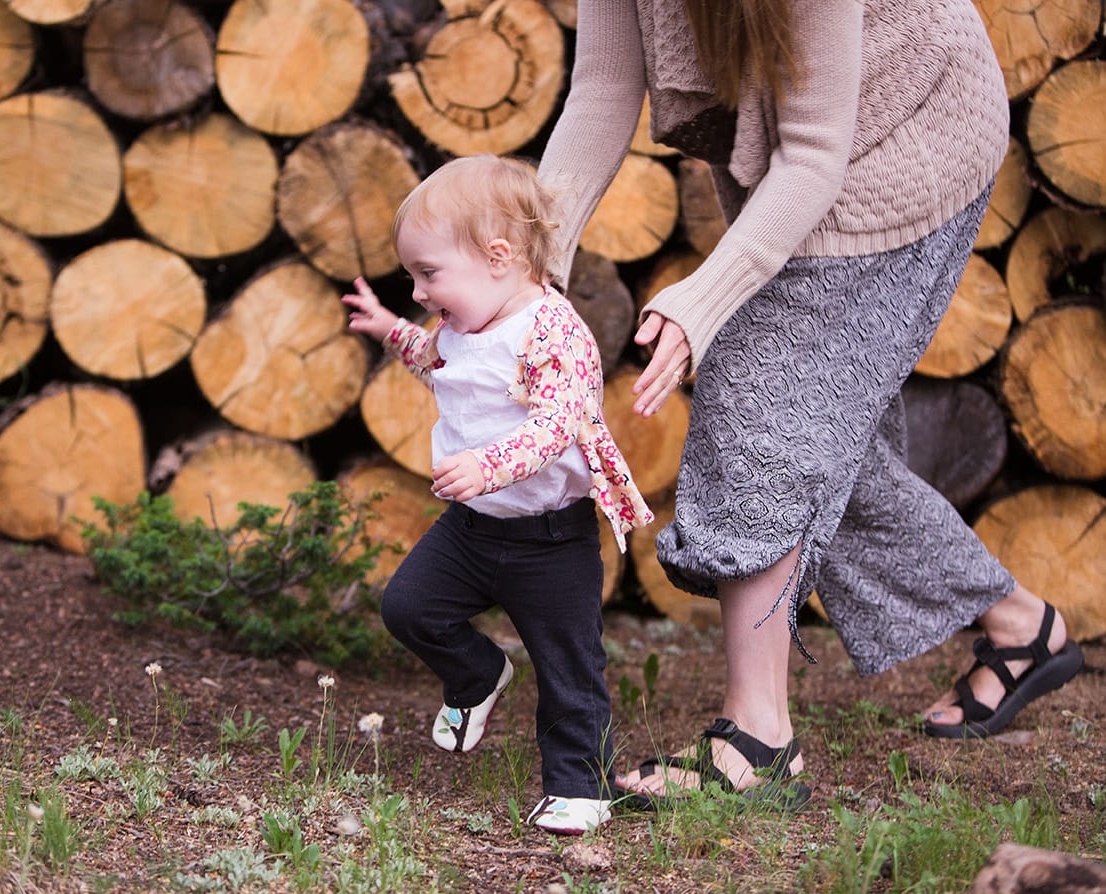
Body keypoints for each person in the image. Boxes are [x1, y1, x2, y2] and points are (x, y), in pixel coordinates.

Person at [535, 0, 1084, 806]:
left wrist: (705, 299)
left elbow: (815, 154)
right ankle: (1020, 625)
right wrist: (527, 283)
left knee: (762, 395)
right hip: (795, 143)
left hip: (905, 133)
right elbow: (604, 89)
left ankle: (758, 745)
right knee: (811, 425)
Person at [342, 154, 654, 834]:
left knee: (568, 664)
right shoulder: (463, 325)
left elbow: (557, 424)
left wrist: (488, 465)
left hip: (550, 539)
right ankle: (477, 674)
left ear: (498, 255)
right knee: (409, 607)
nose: (420, 292)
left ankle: (580, 786)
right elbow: (435, 363)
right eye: (412, 277)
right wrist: (390, 329)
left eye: (429, 274)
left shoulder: (552, 331)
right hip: (473, 529)